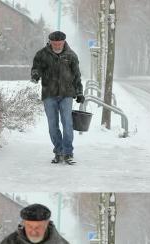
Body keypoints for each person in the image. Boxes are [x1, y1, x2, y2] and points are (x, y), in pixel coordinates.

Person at [31, 31, 85, 165]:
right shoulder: (42, 54)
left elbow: (77, 76)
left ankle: (68, 153)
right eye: (54, 43)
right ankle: (58, 151)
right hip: (49, 94)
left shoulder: (71, 55)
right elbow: (36, 68)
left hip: (67, 94)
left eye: (59, 43)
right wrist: (36, 74)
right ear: (50, 42)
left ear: (64, 42)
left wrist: (79, 92)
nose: (56, 45)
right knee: (52, 125)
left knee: (67, 123)